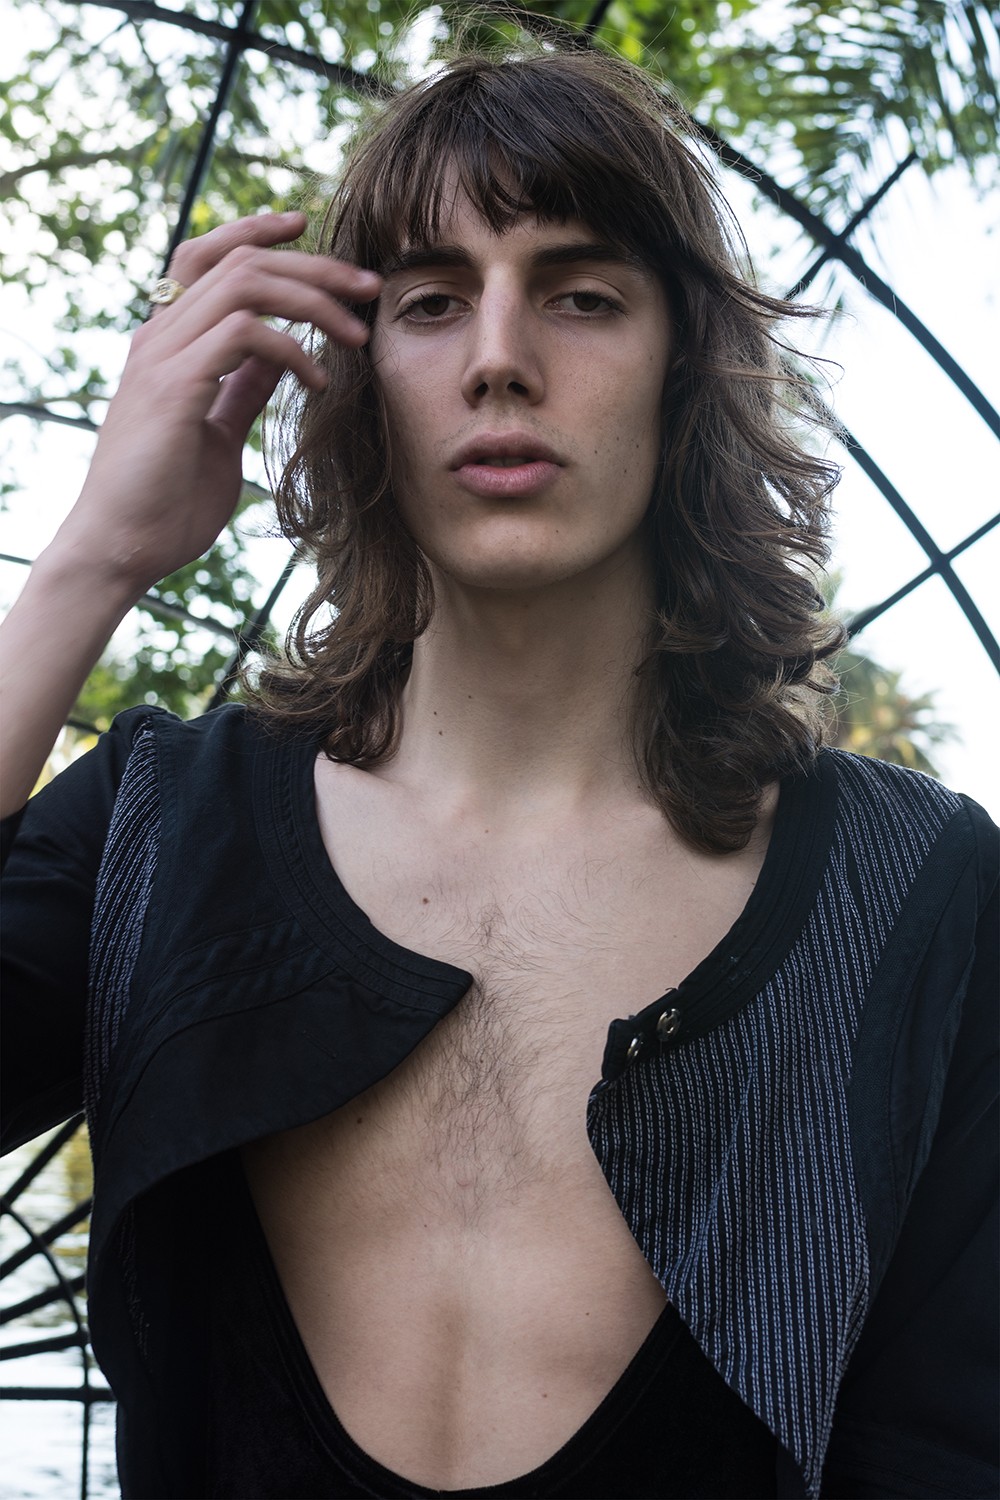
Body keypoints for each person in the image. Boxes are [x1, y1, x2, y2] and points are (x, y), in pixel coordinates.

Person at [1, 42, 996, 1500]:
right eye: (430, 302)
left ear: (684, 368)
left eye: (582, 294)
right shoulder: (162, 828)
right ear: (355, 378)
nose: (499, 359)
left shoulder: (915, 893)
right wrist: (92, 560)